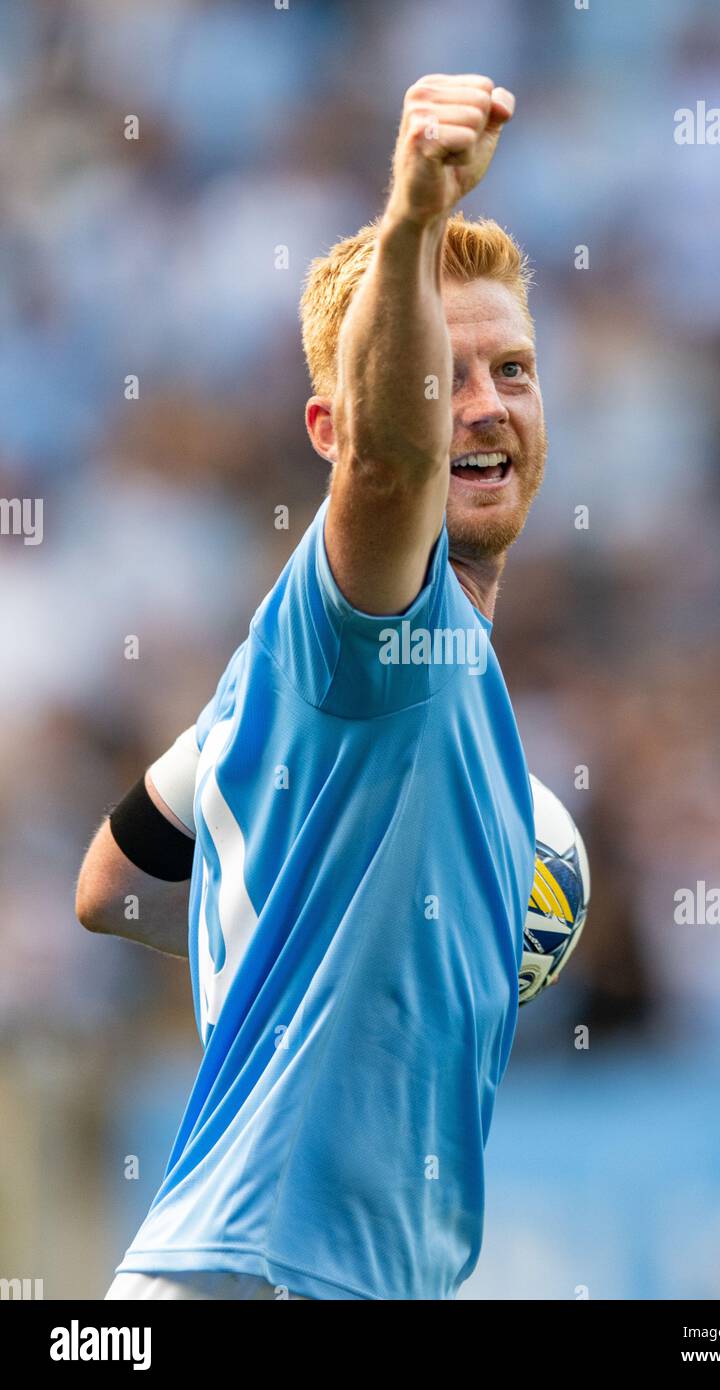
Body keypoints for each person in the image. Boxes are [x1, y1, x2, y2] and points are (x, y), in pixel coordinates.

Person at [78, 73, 548, 1301]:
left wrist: (317, 951)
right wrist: (408, 219)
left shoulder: (281, 693)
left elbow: (111, 885)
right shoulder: (380, 630)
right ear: (331, 430)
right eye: (445, 375)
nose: (486, 404)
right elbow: (394, 477)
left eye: (513, 368)